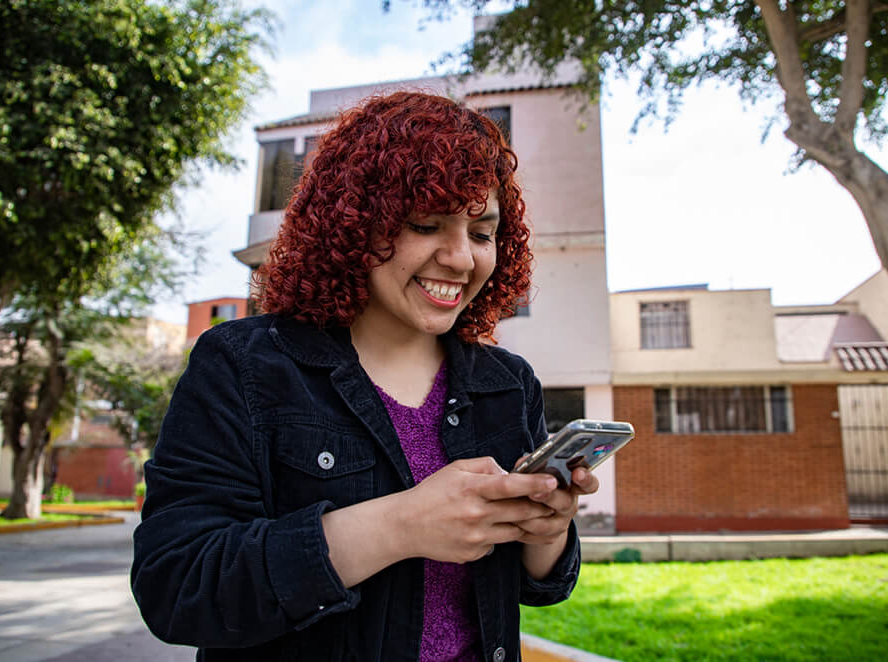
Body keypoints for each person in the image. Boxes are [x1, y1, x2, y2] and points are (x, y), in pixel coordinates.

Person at [131, 91, 599, 661]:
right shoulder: (245, 364)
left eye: (481, 233)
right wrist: (399, 526)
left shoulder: (507, 383)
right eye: (427, 224)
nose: (460, 257)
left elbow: (534, 587)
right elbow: (178, 587)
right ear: (352, 223)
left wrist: (547, 532)